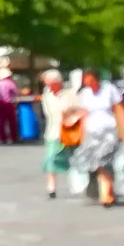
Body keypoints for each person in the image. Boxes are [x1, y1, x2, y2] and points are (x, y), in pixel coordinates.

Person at [70, 70, 124, 208]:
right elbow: (84, 115)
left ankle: (106, 195)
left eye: (89, 79)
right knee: (98, 163)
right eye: (85, 80)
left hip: (109, 132)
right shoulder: (85, 94)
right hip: (92, 133)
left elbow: (119, 110)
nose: (87, 82)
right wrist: (82, 135)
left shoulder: (109, 89)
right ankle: (107, 190)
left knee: (103, 161)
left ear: (95, 78)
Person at [39, 69, 74, 199]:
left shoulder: (68, 94)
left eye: (50, 83)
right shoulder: (47, 95)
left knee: (76, 160)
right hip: (53, 132)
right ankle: (51, 187)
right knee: (51, 159)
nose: (48, 86)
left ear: (58, 83)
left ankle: (87, 184)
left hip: (71, 133)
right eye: (47, 83)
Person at [0, 67, 20, 144]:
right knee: (12, 121)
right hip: (8, 103)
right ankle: (13, 137)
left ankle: (3, 138)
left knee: (2, 121)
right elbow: (16, 92)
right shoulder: (10, 83)